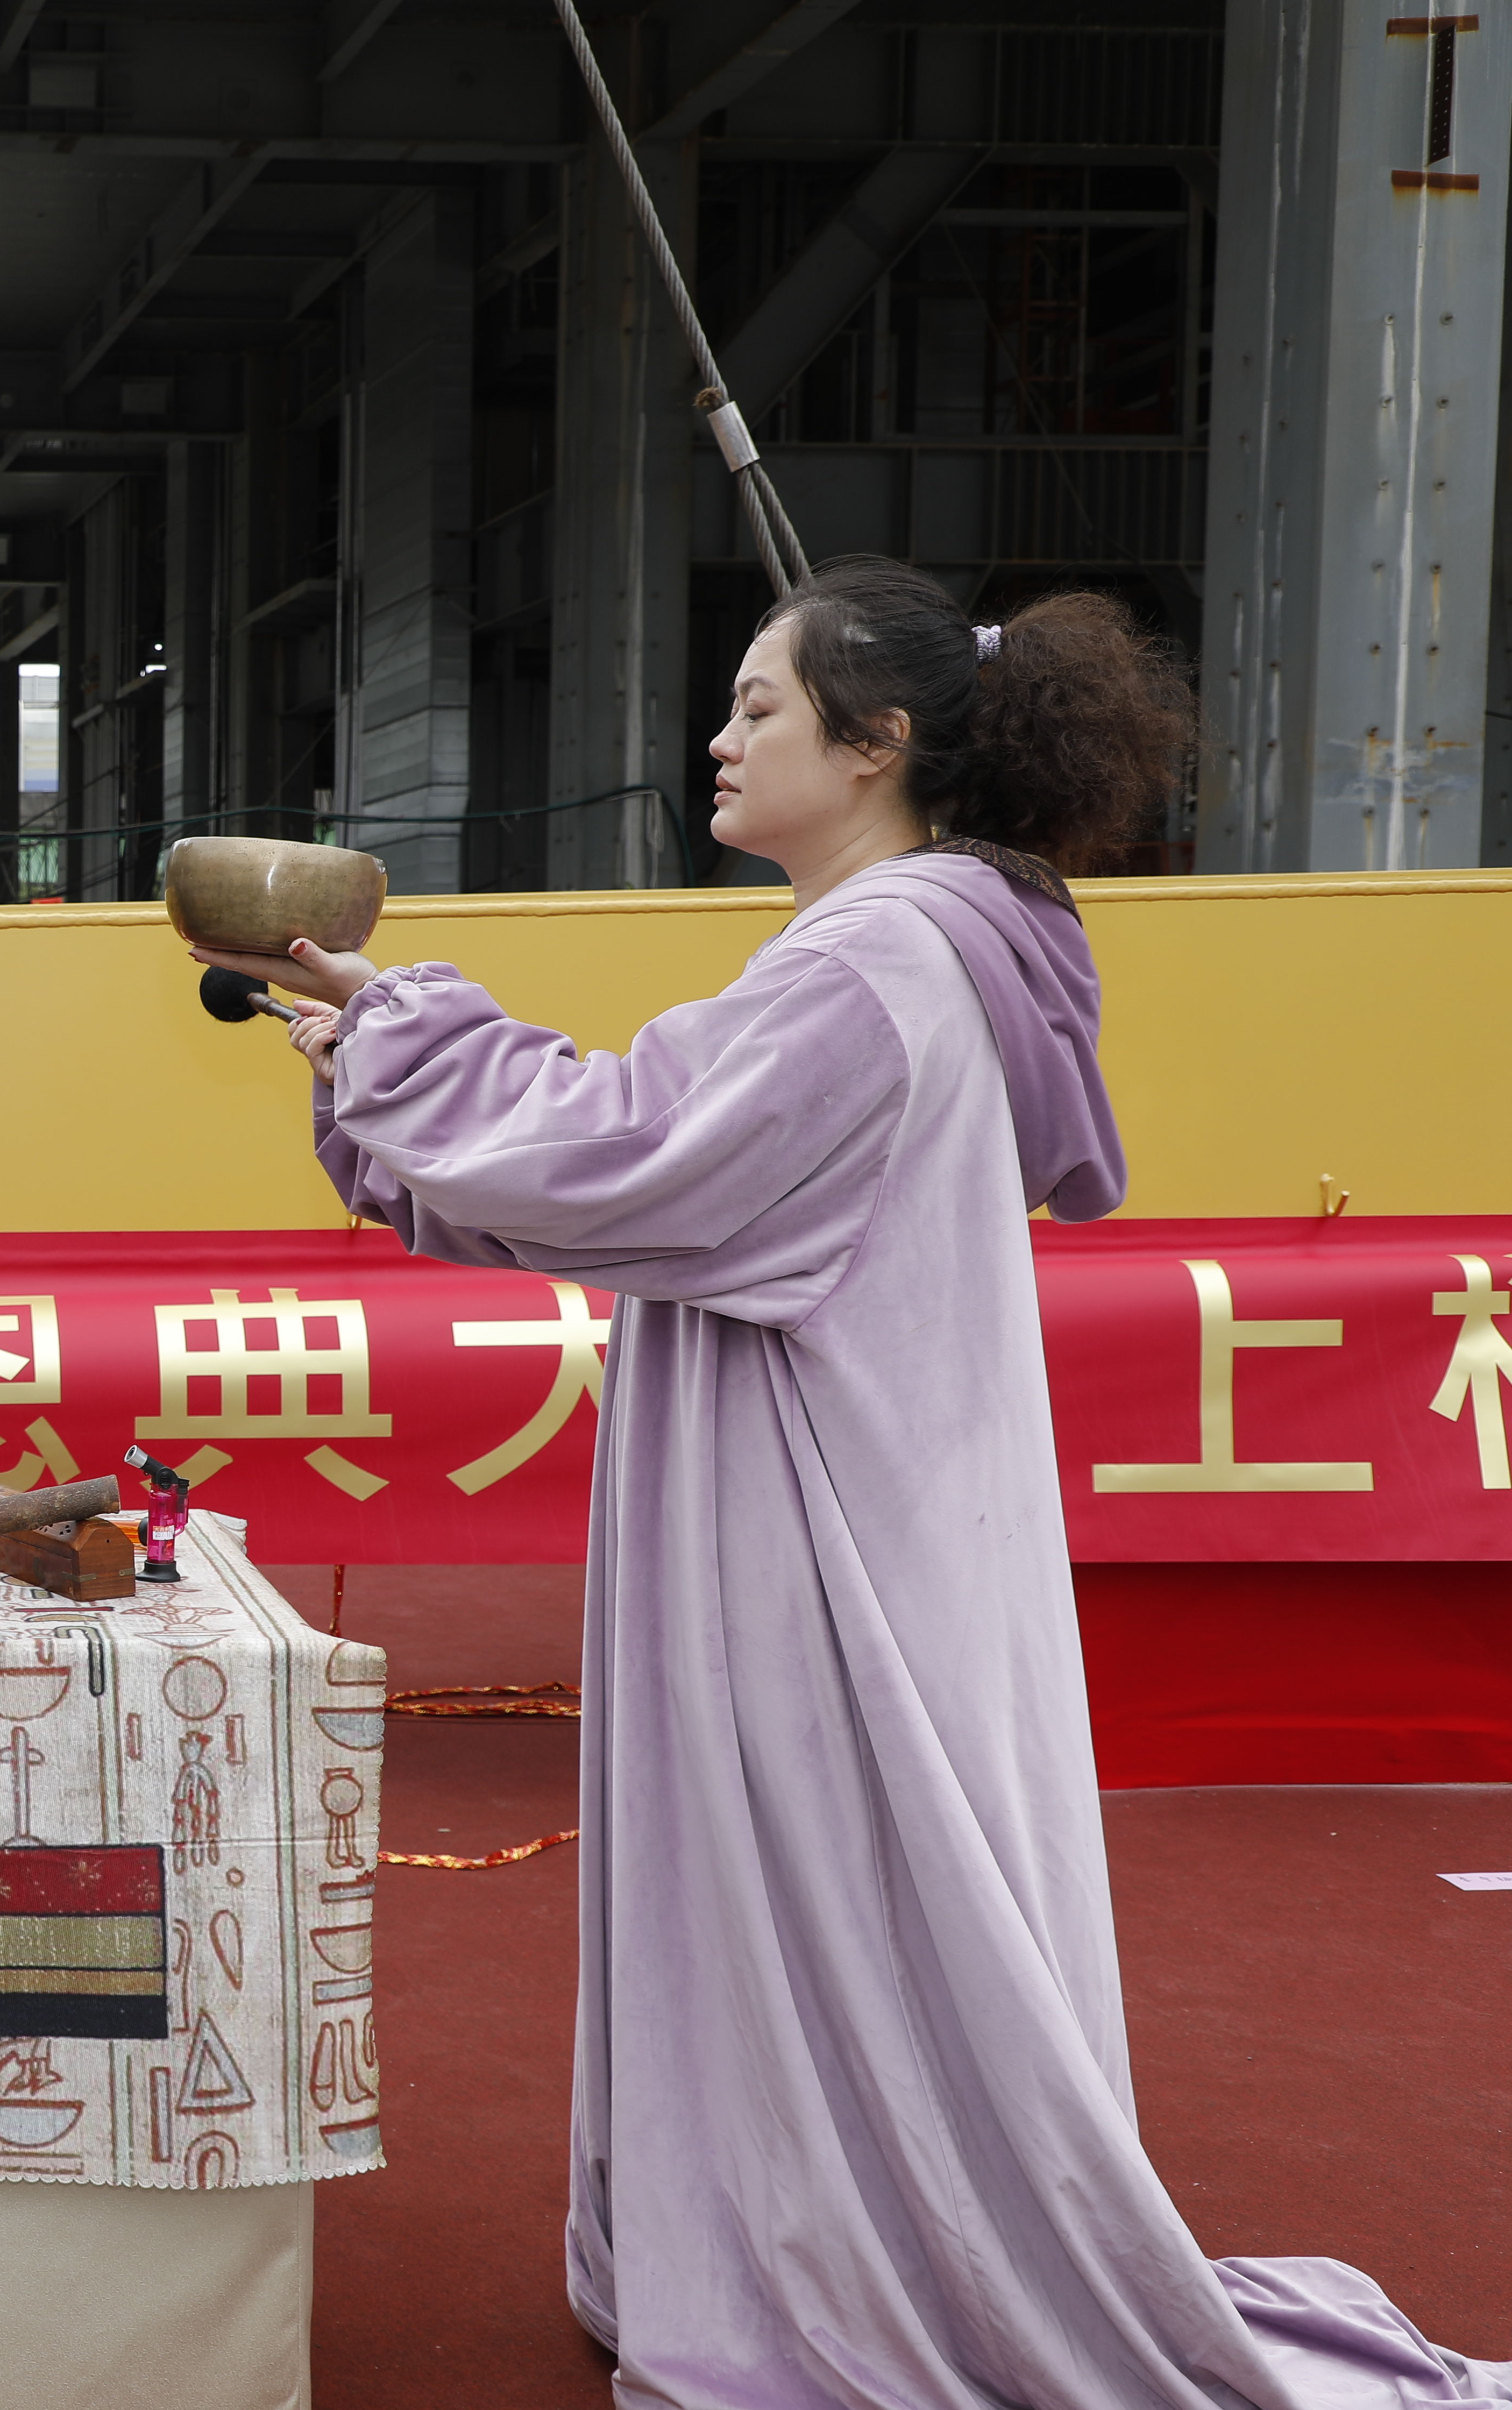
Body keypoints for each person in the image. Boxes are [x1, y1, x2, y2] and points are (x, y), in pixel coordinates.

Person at [199, 557, 1509, 2407]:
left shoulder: (882, 958)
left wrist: (403, 1026)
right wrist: (384, 1052)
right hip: (874, 1488)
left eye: (761, 706)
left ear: (879, 743)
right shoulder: (928, 941)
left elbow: (628, 1151)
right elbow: (649, 1183)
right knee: (847, 1911)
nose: (719, 738)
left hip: (824, 1522)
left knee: (831, 1898)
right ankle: (801, 2237)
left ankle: (846, 2264)